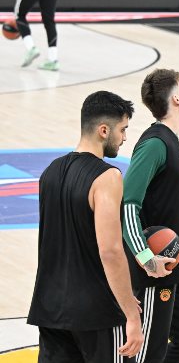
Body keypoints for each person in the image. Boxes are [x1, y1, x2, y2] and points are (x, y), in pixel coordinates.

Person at [27, 91, 143, 362]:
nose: (124, 138)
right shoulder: (107, 177)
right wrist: (131, 313)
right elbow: (111, 251)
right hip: (96, 314)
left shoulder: (49, 173)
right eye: (122, 130)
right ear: (104, 130)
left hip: (51, 308)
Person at [121, 69, 179, 363]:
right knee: (148, 354)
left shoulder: (170, 140)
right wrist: (146, 258)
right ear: (177, 97)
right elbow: (127, 205)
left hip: (177, 265)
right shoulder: (155, 143)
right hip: (155, 270)